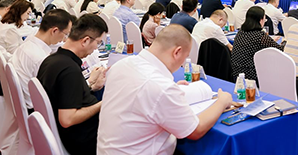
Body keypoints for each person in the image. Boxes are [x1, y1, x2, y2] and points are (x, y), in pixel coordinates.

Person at [97, 24, 233, 155]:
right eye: (185, 57)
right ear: (177, 52)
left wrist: (172, 88)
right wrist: (222, 101)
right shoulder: (161, 87)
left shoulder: (121, 64)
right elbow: (195, 130)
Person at [37, 14, 108, 155]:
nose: (96, 48)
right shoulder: (69, 70)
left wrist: (91, 87)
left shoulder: (52, 60)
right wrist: (104, 102)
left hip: (69, 133)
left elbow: (64, 95)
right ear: (85, 40)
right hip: (84, 139)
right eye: (98, 43)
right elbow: (67, 119)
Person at [11, 9, 73, 109]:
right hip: (38, 109)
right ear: (54, 31)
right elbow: (58, 93)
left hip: (24, 103)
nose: (65, 39)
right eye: (66, 34)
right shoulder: (41, 59)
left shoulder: (28, 42)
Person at [231, 6, 285, 83]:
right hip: (251, 76)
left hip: (235, 72)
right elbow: (279, 50)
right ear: (260, 20)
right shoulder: (259, 36)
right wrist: (285, 42)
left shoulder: (241, 31)